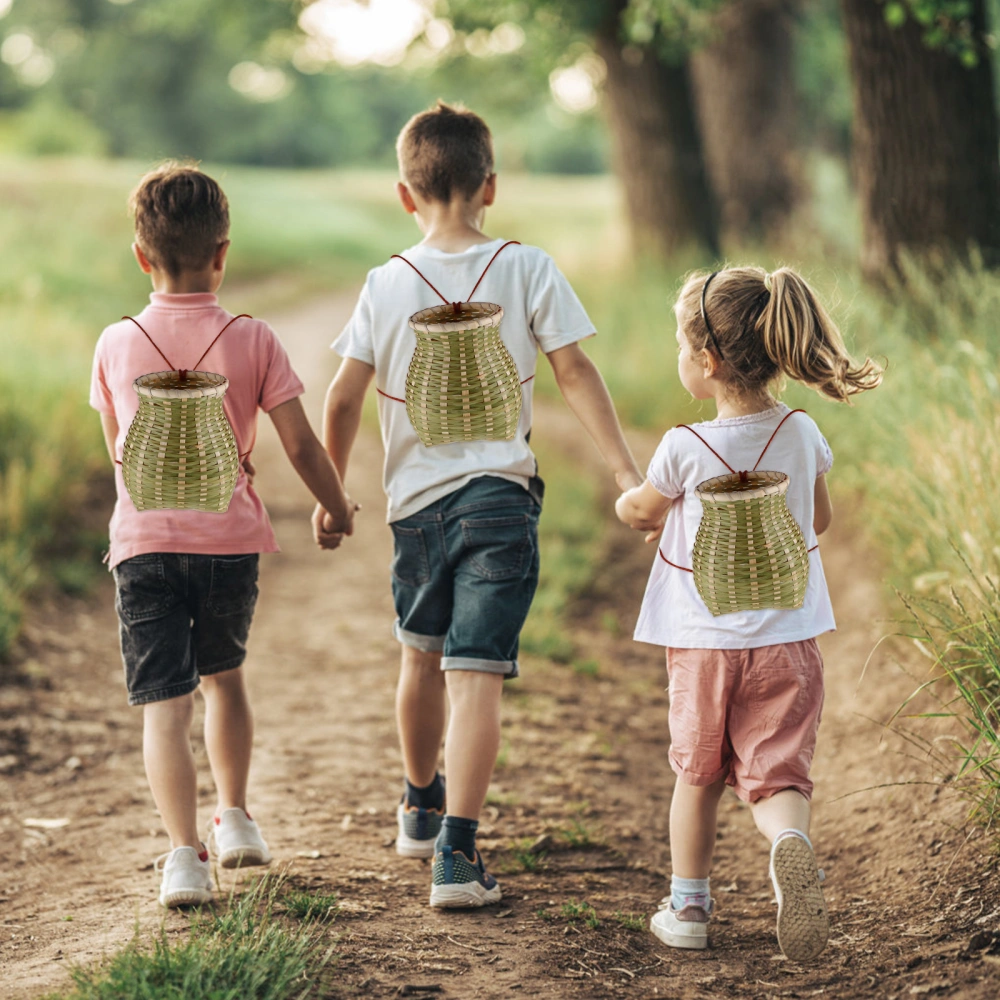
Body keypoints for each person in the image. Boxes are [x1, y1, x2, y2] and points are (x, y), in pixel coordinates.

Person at [315, 102, 642, 908]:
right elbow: (573, 373)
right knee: (478, 678)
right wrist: (625, 473)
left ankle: (419, 804)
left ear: (405, 195)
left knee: (419, 657)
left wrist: (332, 494)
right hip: (499, 500)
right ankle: (456, 859)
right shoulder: (528, 268)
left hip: (414, 510)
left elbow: (343, 400)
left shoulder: (385, 282)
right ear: (489, 185)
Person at [90, 163, 355, 908]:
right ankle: (235, 816)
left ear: (142, 256)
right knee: (224, 677)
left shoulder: (115, 342)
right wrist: (335, 507)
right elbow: (301, 446)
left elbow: (119, 451)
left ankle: (183, 856)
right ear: (223, 253)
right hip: (228, 543)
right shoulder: (253, 337)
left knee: (164, 706)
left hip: (143, 543)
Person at [615, 266, 882, 960]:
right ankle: (790, 844)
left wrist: (632, 502)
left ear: (705, 363)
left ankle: (689, 908)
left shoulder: (682, 446)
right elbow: (814, 520)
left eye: (682, 346)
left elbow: (644, 508)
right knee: (779, 774)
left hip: (704, 645)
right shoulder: (800, 431)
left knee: (697, 775)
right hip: (787, 643)